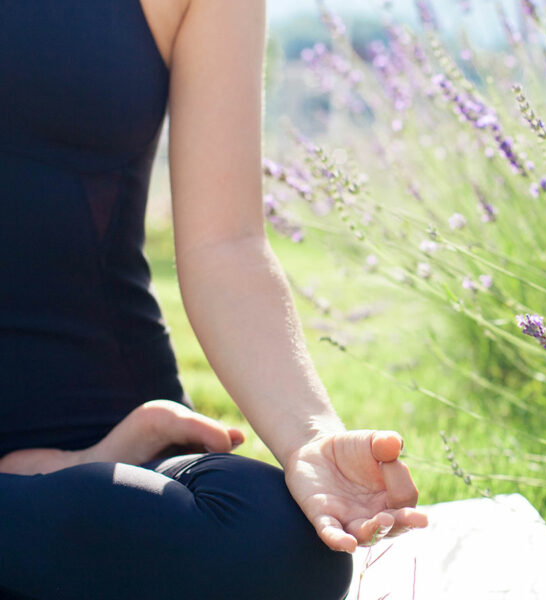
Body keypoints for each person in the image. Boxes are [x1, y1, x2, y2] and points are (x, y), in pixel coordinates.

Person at [0, 1, 427, 598]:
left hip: (110, 436)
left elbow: (225, 245)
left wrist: (310, 438)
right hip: (57, 498)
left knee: (277, 544)